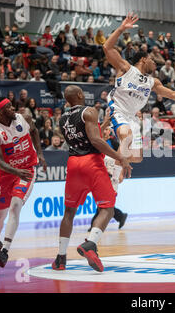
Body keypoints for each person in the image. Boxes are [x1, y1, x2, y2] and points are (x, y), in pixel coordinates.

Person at [102, 13, 175, 183]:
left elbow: (173, 94)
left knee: (136, 157)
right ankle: (115, 179)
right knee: (126, 134)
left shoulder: (153, 82)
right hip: (117, 108)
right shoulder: (126, 68)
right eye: (153, 60)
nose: (155, 63)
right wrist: (121, 28)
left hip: (131, 116)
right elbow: (107, 48)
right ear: (143, 59)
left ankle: (110, 160)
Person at [51, 85, 132, 272]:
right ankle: (90, 244)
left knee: (69, 212)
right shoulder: (89, 111)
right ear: (80, 95)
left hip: (73, 164)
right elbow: (95, 141)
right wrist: (121, 157)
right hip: (91, 163)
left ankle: (61, 258)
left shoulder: (62, 118)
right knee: (107, 209)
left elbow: (84, 136)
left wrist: (102, 124)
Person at [0, 97, 47, 268]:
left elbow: (34, 132)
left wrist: (40, 154)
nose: (13, 109)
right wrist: (15, 171)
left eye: (12, 106)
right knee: (0, 215)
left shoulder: (24, 117)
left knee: (16, 206)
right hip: (7, 174)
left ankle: (5, 250)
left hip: (26, 170)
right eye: (8, 107)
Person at [88, 110, 128, 231]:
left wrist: (120, 174)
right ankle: (119, 216)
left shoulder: (114, 143)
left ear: (110, 131)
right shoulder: (95, 142)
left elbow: (121, 159)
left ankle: (95, 227)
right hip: (98, 178)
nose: (105, 131)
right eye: (104, 129)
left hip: (111, 179)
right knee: (102, 205)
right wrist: (106, 120)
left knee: (104, 206)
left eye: (107, 130)